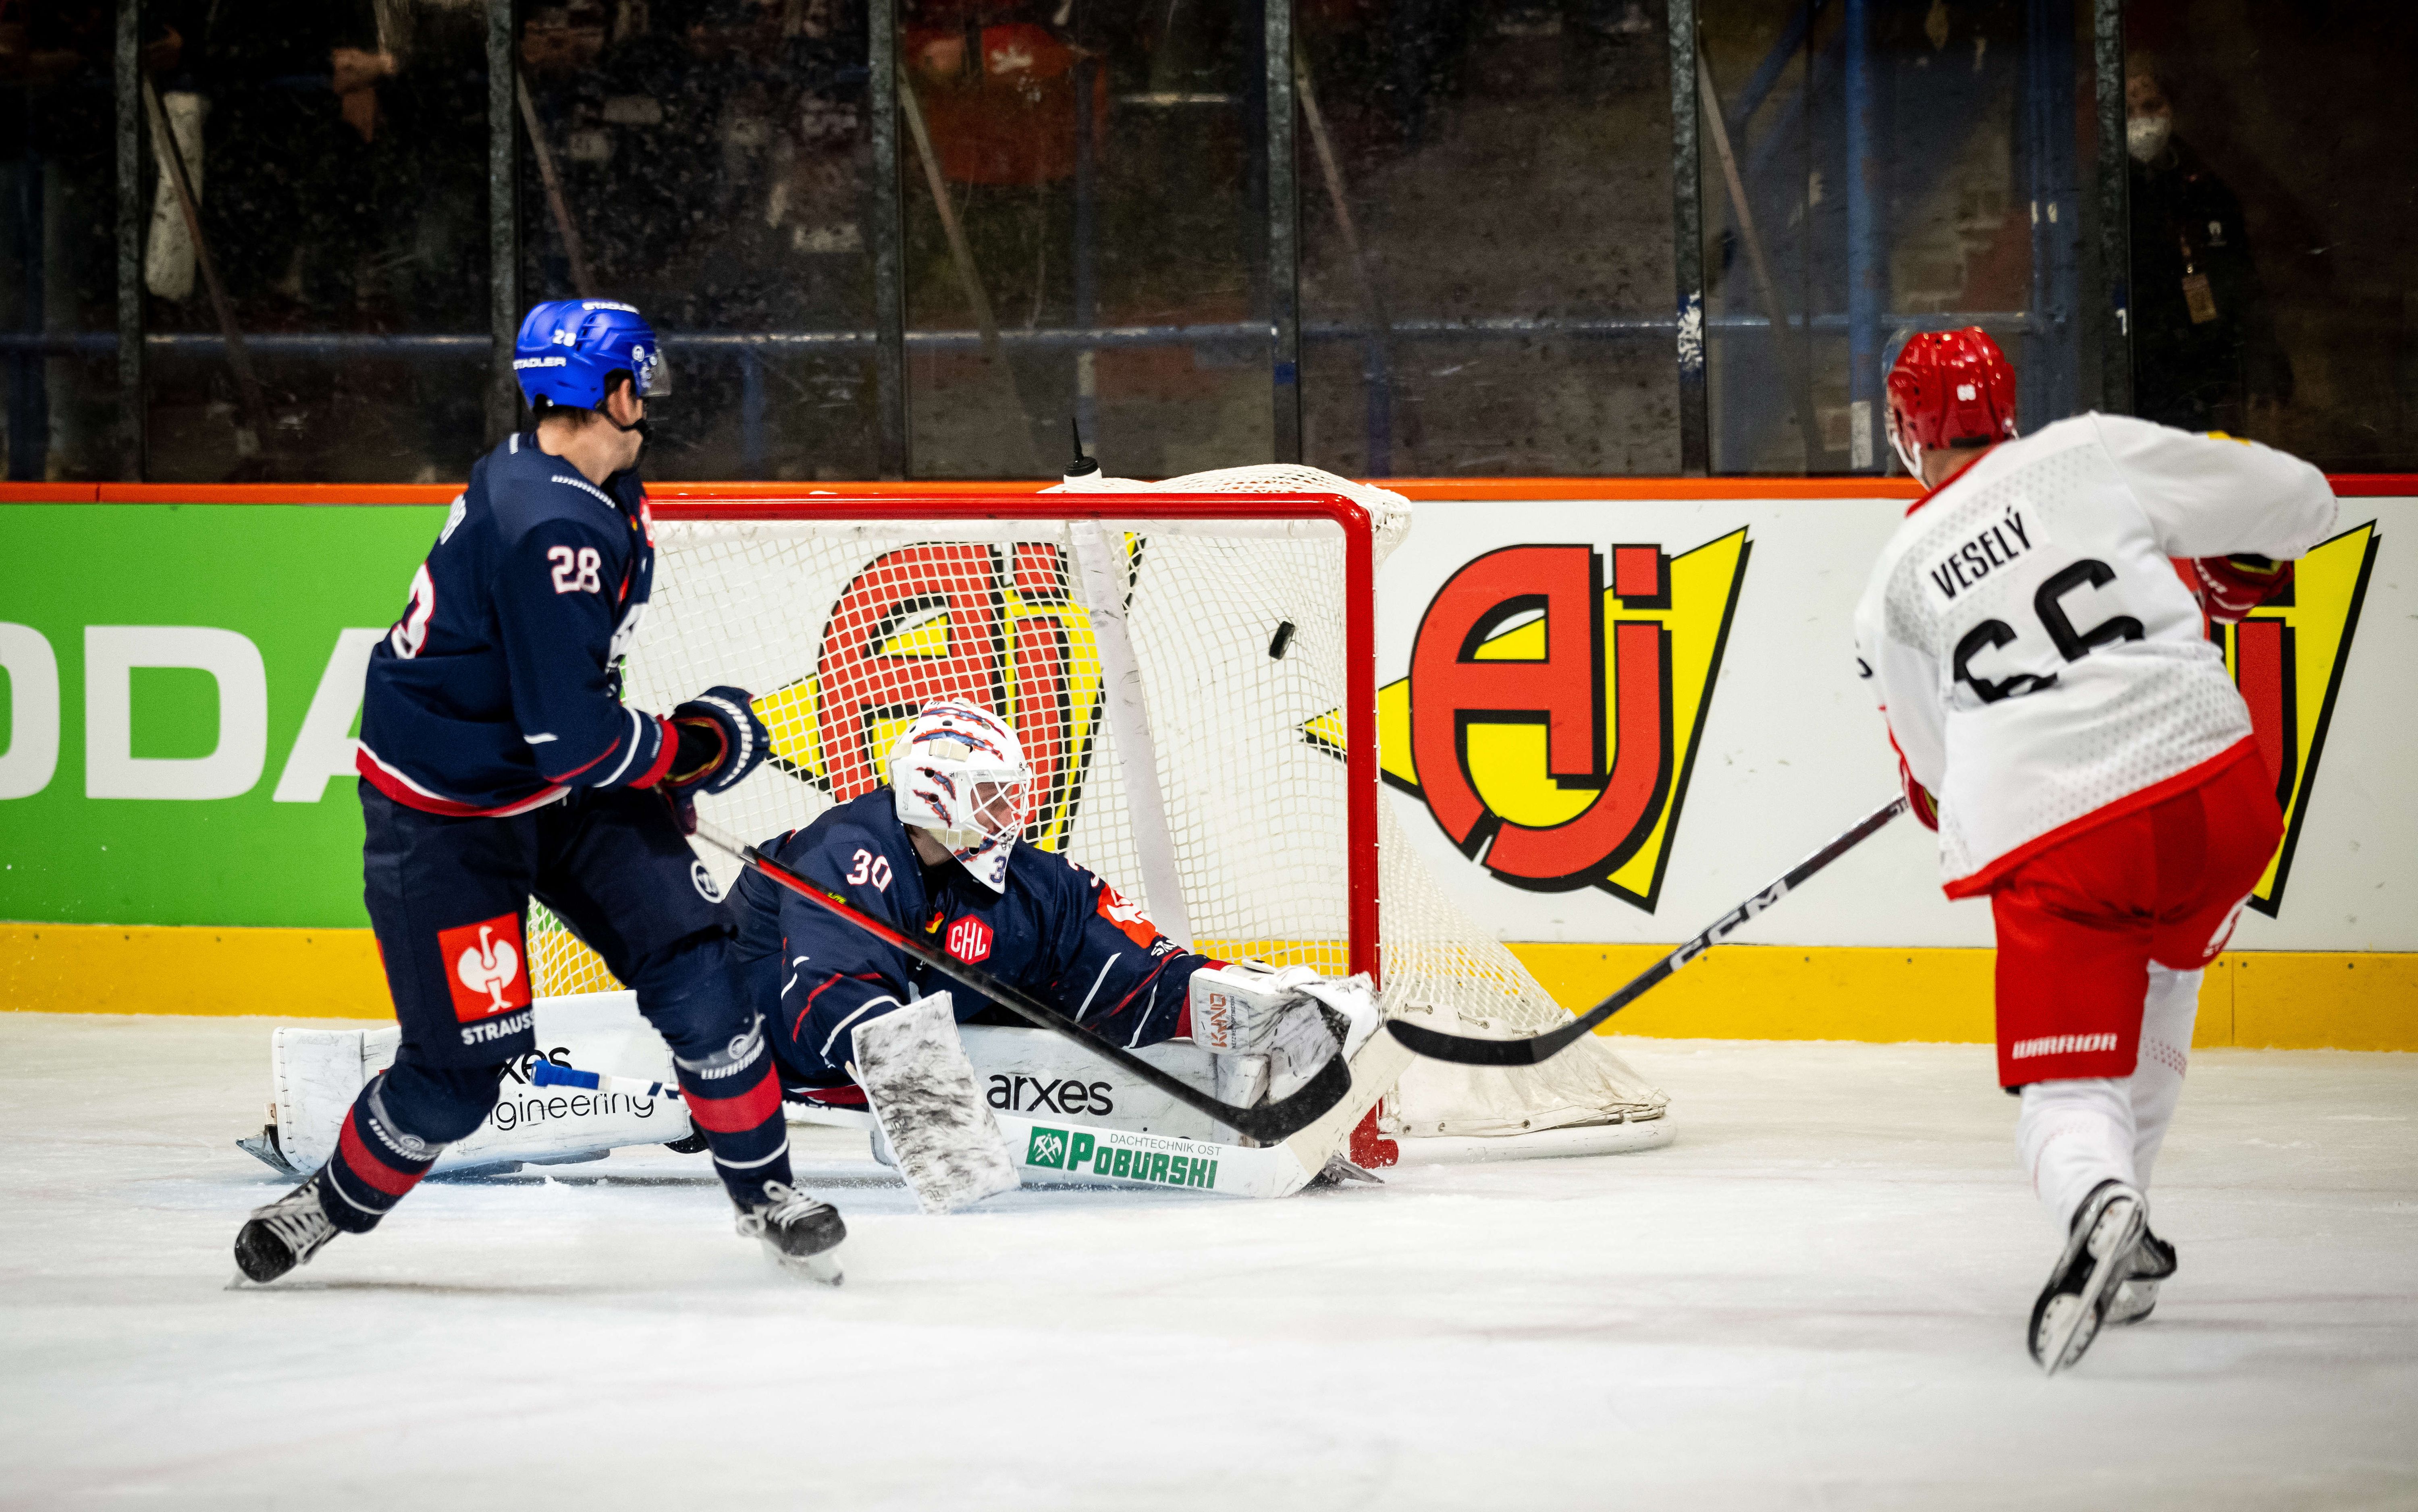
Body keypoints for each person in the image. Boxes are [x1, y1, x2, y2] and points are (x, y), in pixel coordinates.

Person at [233, 299, 846, 1285]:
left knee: (703, 981)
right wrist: (692, 746)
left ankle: (767, 1193)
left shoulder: (574, 481)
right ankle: (326, 1204)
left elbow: (567, 711)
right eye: (637, 380)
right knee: (455, 1080)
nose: (647, 399)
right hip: (451, 816)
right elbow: (573, 739)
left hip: (552, 786)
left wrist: (648, 769)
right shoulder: (553, 524)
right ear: (608, 390)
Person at [1852, 329, 2335, 1374]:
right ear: (2010, 404)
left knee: (2067, 1093)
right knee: (2165, 983)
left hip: (2064, 832)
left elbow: (1935, 771)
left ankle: (2099, 1199)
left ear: (1903, 432)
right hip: (2219, 795)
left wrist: (1943, 795)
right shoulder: (2090, 451)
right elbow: (2299, 500)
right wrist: (2227, 571)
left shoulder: (1892, 582)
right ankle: (2135, 1248)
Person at [729, 700, 1372, 1111]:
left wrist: (1242, 998)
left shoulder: (1028, 883)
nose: (1013, 813)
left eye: (1011, 794)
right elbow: (837, 992)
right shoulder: (847, 849)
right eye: (992, 795)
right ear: (937, 794)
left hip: (922, 1044)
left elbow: (1133, 972)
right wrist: (936, 1119)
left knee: (1063, 954)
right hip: (754, 1041)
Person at [2124, 54, 2293, 434]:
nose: (2142, 122)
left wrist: (2261, 370)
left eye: (2152, 106)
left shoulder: (2205, 190)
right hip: (2125, 384)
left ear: (2173, 109)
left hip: (2200, 383)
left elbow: (2243, 284)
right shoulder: (2098, 196)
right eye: (2128, 110)